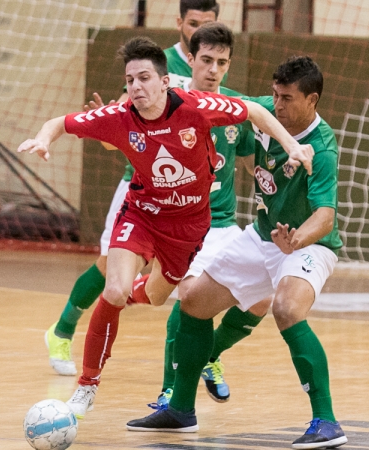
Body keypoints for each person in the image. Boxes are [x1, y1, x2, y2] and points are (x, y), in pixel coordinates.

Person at [19, 36, 313, 419]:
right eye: (130, 80)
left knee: (157, 296)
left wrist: (291, 145)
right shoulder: (120, 116)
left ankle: (140, 294)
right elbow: (59, 122)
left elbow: (255, 113)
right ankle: (87, 387)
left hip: (189, 228)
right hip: (140, 214)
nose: (136, 87)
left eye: (144, 78)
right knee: (114, 288)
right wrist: (43, 139)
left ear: (165, 82)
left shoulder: (197, 107)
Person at [126, 56, 348, 450]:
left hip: (306, 245)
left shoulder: (321, 146)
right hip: (262, 236)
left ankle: (326, 421)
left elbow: (326, 217)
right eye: (275, 95)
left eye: (288, 99)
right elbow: (212, 101)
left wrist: (296, 240)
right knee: (192, 300)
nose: (277, 105)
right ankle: (180, 409)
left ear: (312, 100)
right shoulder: (265, 111)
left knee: (286, 308)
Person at [44, 0, 222, 378]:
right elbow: (117, 134)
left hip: (186, 202)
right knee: (111, 266)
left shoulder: (212, 67)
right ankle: (62, 330)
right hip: (140, 189)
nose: (198, 31)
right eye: (193, 23)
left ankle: (125, 301)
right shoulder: (155, 65)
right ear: (179, 23)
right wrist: (103, 128)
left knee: (157, 291)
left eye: (207, 24)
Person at [149, 23, 273, 411]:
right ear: (190, 59)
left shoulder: (238, 108)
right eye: (206, 60)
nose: (214, 69)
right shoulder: (170, 103)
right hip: (184, 225)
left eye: (222, 62)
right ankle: (170, 389)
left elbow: (254, 166)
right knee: (188, 296)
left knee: (261, 300)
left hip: (224, 224)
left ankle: (208, 355)